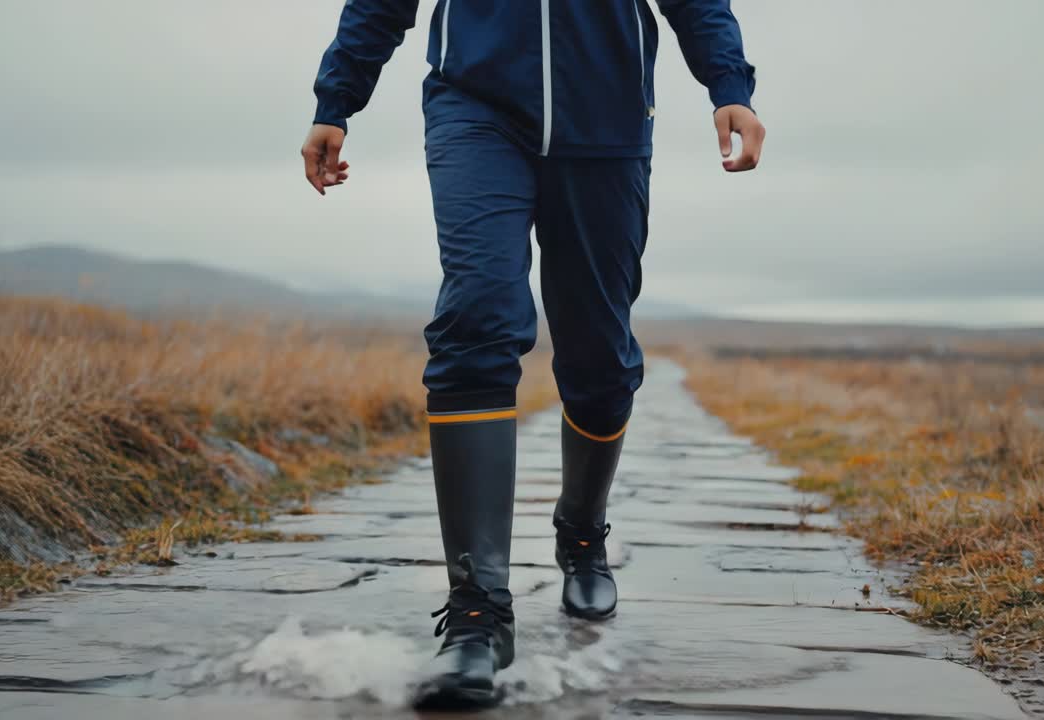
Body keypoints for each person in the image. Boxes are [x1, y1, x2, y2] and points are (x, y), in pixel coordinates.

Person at [302, 0, 763, 709]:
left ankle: (581, 531)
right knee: (477, 318)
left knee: (600, 362)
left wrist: (728, 86)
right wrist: (338, 98)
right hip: (475, 107)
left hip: (606, 117)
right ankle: (478, 611)